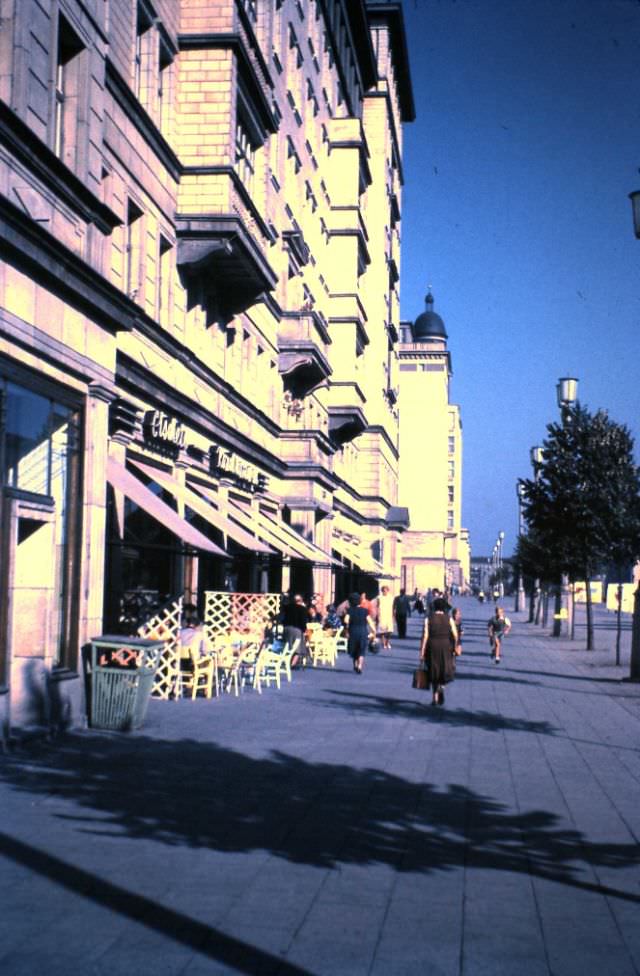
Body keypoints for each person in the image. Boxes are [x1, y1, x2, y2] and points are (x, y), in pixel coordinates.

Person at [420, 596, 458, 706]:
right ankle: (442, 686)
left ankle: (435, 698)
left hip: (432, 646)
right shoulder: (449, 619)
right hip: (446, 646)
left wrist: (422, 651)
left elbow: (425, 636)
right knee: (444, 668)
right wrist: (454, 647)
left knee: (433, 670)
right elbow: (455, 635)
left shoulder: (428, 619)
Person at [345, 591, 376, 674]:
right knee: (361, 650)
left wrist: (347, 628)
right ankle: (360, 666)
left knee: (354, 649)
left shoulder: (350, 610)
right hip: (363, 632)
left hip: (353, 631)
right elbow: (370, 622)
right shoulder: (365, 611)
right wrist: (374, 630)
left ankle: (355, 665)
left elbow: (346, 620)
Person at [377, 585, 394, 650]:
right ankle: (384, 643)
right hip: (382, 615)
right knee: (382, 631)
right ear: (382, 591)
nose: (385, 592)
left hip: (389, 615)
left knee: (389, 631)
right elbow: (378, 607)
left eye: (386, 590)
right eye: (383, 591)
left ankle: (387, 642)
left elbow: (393, 607)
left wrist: (393, 615)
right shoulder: (379, 597)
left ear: (388, 591)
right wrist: (378, 615)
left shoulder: (391, 597)